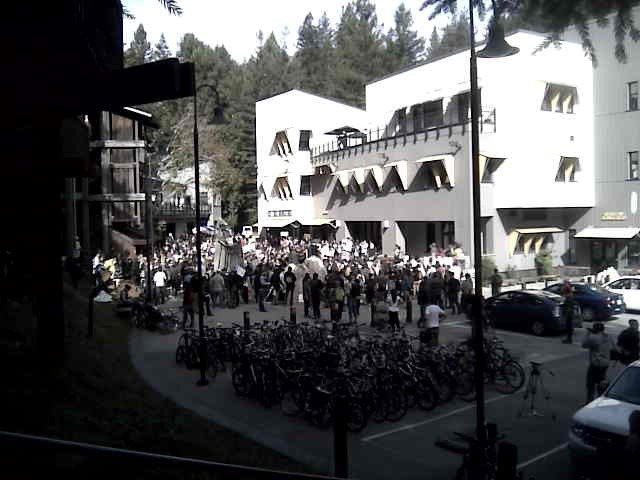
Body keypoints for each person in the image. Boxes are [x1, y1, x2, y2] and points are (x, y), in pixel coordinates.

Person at [582, 322, 614, 403]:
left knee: (590, 383)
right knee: (601, 382)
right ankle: (600, 400)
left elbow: (584, 344)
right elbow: (614, 348)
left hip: (596, 364)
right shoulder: (608, 336)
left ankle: (589, 401)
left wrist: (587, 334)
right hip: (605, 363)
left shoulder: (594, 338)